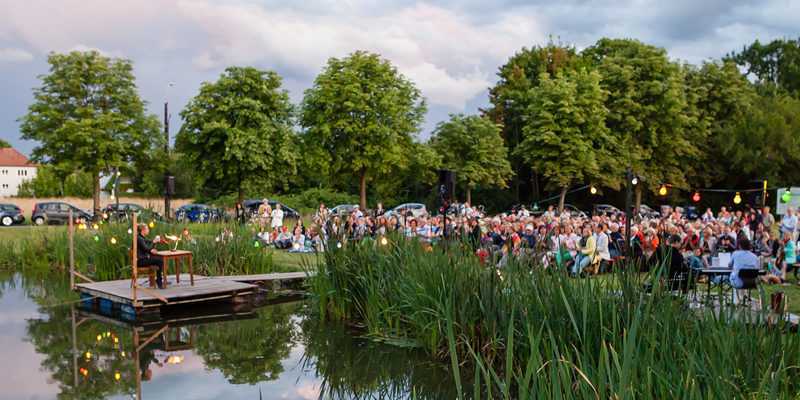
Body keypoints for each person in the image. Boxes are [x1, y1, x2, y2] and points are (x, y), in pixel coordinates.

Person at [136, 223, 165, 289]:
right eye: (147, 229)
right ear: (143, 230)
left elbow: (146, 248)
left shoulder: (140, 237)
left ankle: (158, 279)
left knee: (157, 260)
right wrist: (154, 242)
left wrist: (151, 250)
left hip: (141, 259)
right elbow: (147, 249)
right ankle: (159, 280)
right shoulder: (139, 239)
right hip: (141, 261)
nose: (148, 230)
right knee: (160, 260)